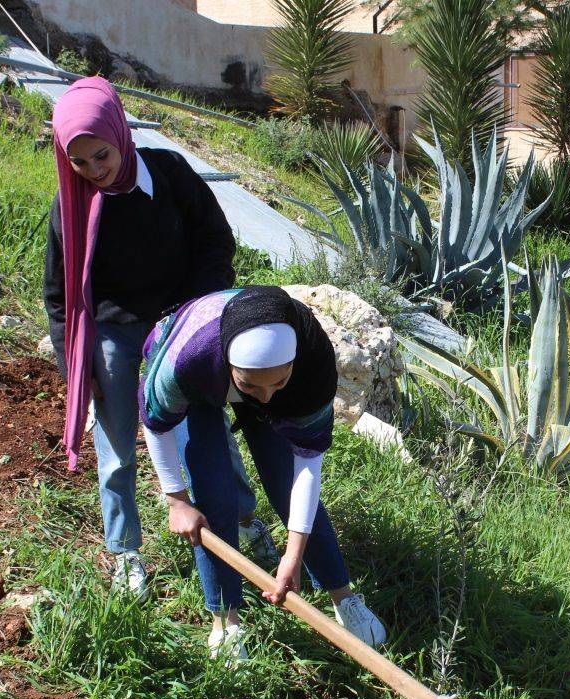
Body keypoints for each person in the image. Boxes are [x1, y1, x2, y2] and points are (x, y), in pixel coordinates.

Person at [43, 77, 274, 600]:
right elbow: (59, 296)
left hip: (180, 321)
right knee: (118, 444)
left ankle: (241, 519)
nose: (94, 170)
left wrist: (196, 313)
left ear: (120, 134)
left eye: (101, 155)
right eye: (80, 163)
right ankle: (125, 551)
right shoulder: (71, 206)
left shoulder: (169, 174)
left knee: (201, 429)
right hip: (114, 331)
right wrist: (74, 365)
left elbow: (215, 239)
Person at [139, 285, 387, 661]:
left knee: (284, 480)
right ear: (229, 365)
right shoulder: (190, 359)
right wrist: (176, 499)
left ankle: (343, 595)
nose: (266, 397)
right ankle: (226, 620)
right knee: (213, 492)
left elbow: (307, 467)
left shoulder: (313, 366)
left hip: (268, 378)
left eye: (277, 383)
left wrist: (293, 552)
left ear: (293, 366)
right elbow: (156, 422)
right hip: (205, 385)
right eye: (252, 385)